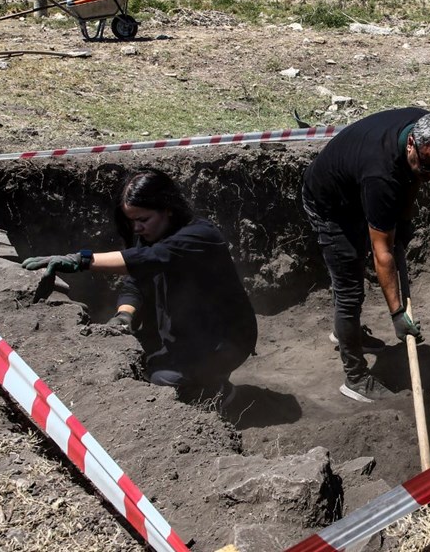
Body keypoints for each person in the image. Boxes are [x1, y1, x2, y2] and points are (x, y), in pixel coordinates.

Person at [21, 167, 257, 402]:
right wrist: (124, 316)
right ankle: (197, 376)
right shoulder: (150, 236)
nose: (137, 228)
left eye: (143, 219)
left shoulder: (199, 236)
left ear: (168, 210)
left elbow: (147, 259)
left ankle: (216, 389)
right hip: (183, 331)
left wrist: (80, 259)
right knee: (136, 362)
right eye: (132, 221)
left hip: (225, 339)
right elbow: (135, 281)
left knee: (161, 379)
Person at [301, 108, 430, 402]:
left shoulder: (428, 127)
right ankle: (356, 378)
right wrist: (398, 315)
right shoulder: (381, 176)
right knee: (349, 288)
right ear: (411, 143)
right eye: (428, 168)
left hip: (356, 185)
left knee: (361, 264)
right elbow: (382, 254)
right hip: (330, 204)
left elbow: (413, 179)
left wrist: (402, 221)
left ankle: (347, 334)